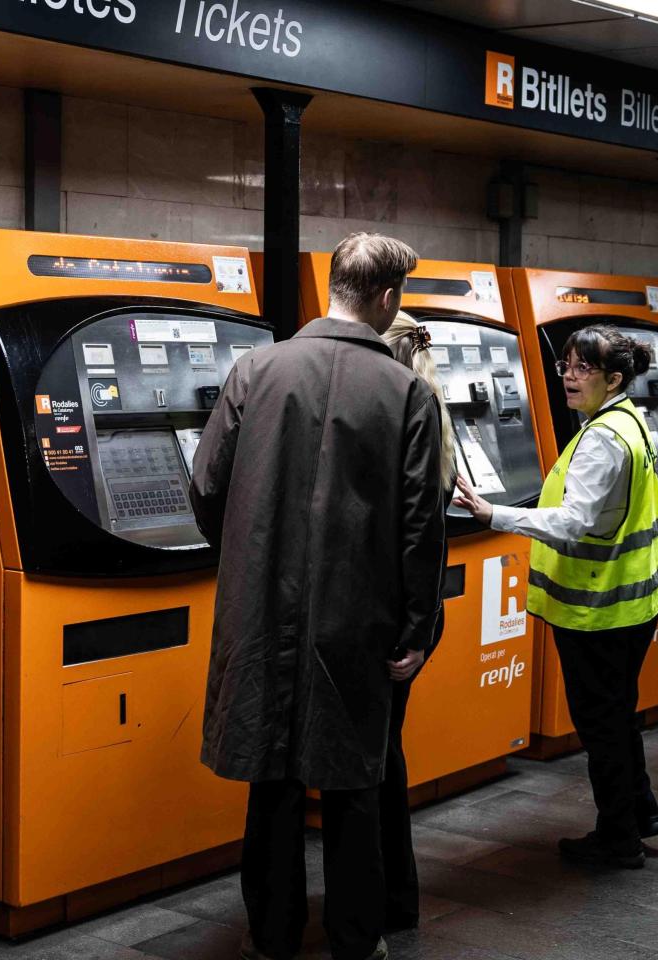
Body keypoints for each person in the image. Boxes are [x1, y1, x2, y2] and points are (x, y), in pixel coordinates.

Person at [190, 233, 446, 960]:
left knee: (269, 780)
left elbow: (207, 486)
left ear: (332, 284)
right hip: (357, 617)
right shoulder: (407, 394)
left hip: (260, 611)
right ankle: (355, 939)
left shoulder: (255, 370)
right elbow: (420, 525)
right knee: (353, 780)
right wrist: (417, 625)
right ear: (388, 298)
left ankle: (271, 936)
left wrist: (247, 560)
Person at [453, 324, 658, 870]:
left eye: (583, 369)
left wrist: (493, 514)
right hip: (632, 602)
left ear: (614, 378)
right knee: (619, 715)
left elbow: (575, 522)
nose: (570, 378)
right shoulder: (630, 420)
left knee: (601, 723)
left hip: (597, 608)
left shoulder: (602, 437)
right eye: (566, 367)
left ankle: (618, 837)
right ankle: (637, 816)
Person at [375, 312, 458, 931]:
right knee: (386, 754)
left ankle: (391, 899)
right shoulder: (434, 412)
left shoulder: (400, 417)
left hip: (392, 620)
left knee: (376, 764)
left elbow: (411, 539)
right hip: (416, 616)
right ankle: (398, 899)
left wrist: (410, 634)